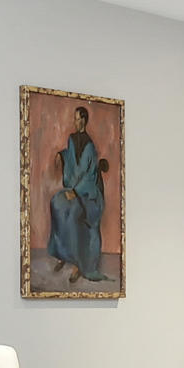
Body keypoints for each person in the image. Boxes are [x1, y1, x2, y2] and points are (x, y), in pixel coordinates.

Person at [46, 105, 109, 282]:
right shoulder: (72, 139)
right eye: (74, 118)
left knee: (74, 214)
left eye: (78, 118)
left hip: (89, 194)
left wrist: (76, 191)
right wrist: (61, 155)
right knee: (56, 203)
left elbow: (90, 174)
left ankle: (78, 264)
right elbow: (71, 157)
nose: (75, 121)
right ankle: (63, 253)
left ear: (84, 120)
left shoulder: (90, 146)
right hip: (74, 188)